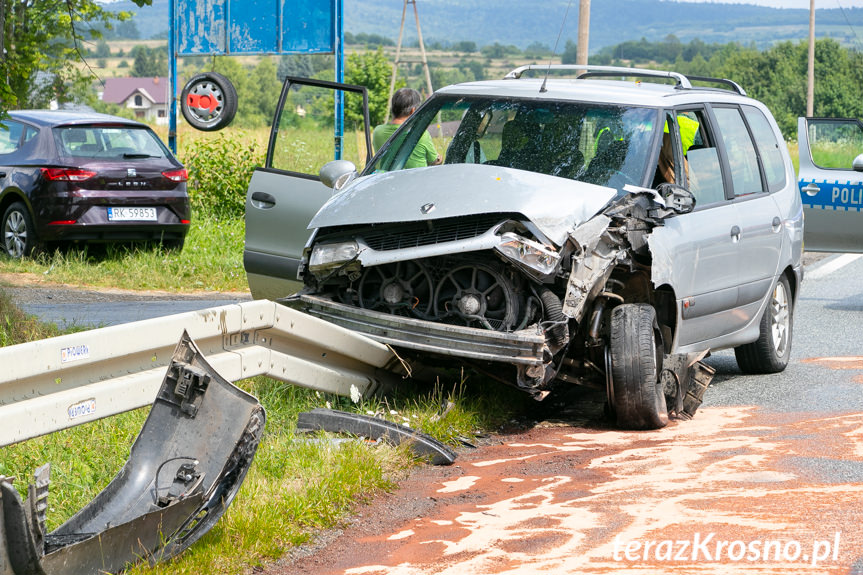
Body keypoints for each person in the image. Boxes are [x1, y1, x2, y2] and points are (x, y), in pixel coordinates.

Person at [372, 88, 441, 168]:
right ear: (413, 110)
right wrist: (440, 159)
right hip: (416, 180)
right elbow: (435, 161)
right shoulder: (421, 134)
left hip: (387, 180)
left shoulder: (378, 131)